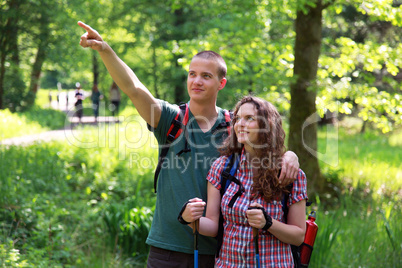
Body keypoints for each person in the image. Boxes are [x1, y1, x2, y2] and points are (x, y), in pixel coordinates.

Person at [78, 21, 300, 268]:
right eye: (192, 74)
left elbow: (268, 150)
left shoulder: (234, 127)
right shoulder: (170, 119)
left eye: (206, 76)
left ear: (221, 83)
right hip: (166, 247)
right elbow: (134, 88)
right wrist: (105, 50)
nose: (197, 81)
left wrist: (290, 155)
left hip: (218, 251)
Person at [181, 96, 308, 267]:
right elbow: (212, 226)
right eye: (238, 118)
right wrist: (189, 219)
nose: (240, 123)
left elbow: (299, 236)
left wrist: (268, 223)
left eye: (249, 119)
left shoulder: (289, 173)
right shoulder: (222, 168)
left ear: (268, 125)